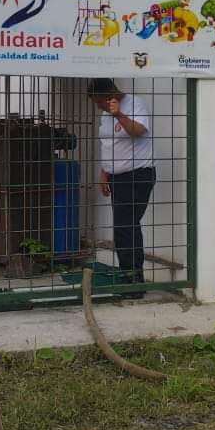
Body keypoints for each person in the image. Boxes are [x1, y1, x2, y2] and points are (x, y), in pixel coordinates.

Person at [87, 78, 156, 297]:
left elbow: (138, 131)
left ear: (110, 94)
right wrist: (104, 172)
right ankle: (129, 275)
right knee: (123, 227)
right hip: (116, 177)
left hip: (136, 175)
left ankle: (134, 281)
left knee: (126, 227)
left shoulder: (135, 104)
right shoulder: (105, 114)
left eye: (99, 102)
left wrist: (118, 114)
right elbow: (109, 144)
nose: (99, 107)